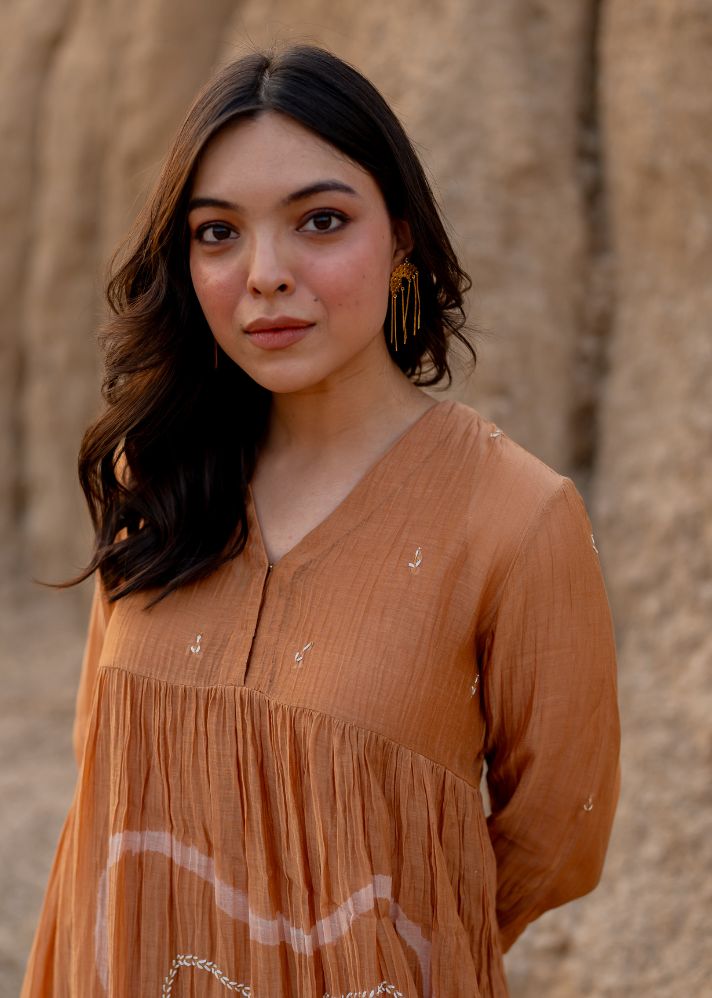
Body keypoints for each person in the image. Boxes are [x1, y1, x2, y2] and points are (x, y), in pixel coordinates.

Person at [20, 44, 620, 998]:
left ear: (404, 239)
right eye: (217, 234)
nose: (264, 274)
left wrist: (369, 938)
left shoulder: (516, 517)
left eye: (321, 221)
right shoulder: (161, 475)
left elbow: (558, 840)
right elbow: (105, 786)